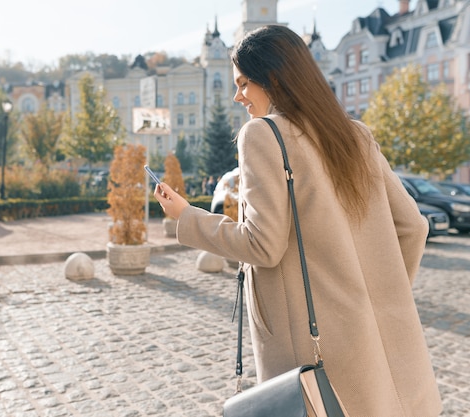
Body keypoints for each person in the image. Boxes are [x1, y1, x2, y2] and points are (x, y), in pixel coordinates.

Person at [154, 25, 442, 417]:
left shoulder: (263, 134)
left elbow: (262, 245)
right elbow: (414, 227)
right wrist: (377, 300)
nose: (237, 96)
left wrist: (187, 217)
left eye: (244, 84)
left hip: (313, 349)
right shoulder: (355, 134)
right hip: (381, 349)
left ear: (272, 78)